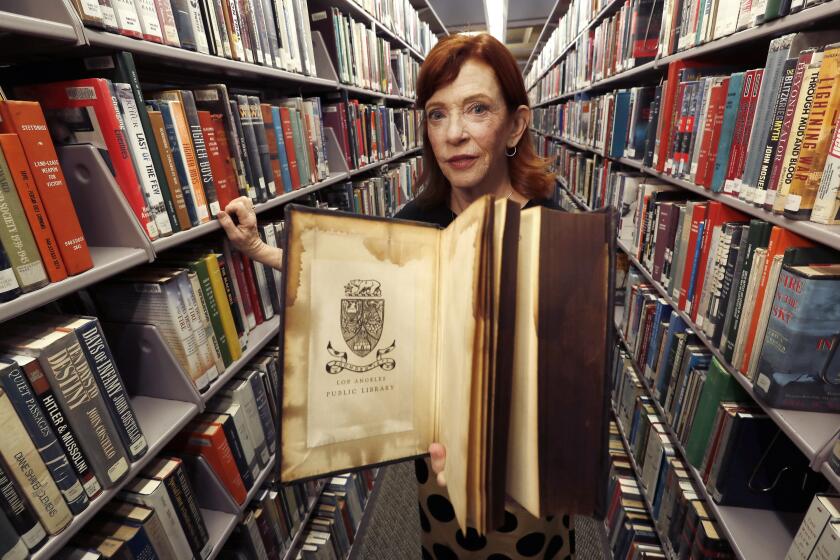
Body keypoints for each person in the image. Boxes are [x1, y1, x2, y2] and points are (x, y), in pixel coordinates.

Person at [217, 32, 574, 560]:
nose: (454, 133)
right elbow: (349, 280)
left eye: (477, 109)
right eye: (437, 114)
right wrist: (260, 248)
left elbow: (576, 374)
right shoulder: (412, 226)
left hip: (528, 473)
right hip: (437, 465)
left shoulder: (556, 231)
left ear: (516, 124)